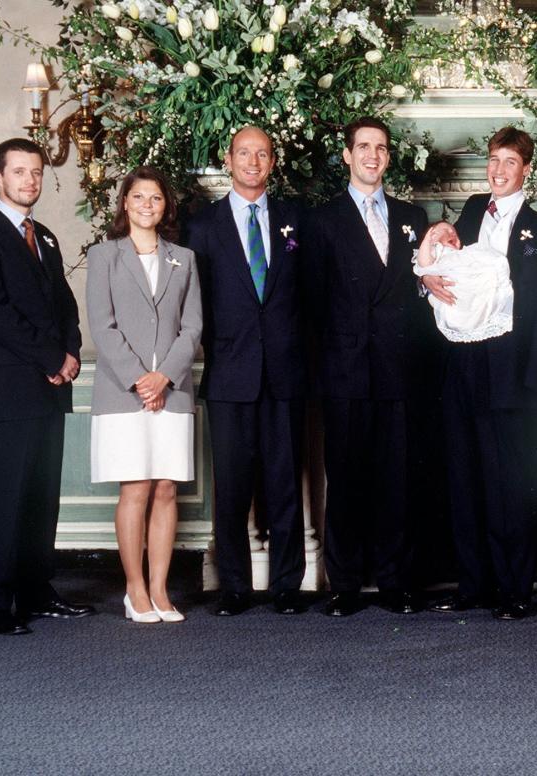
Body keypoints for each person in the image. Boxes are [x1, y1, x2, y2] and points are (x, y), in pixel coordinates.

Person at [421, 126, 537, 620]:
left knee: (510, 485)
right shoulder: (466, 214)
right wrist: (427, 283)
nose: (499, 170)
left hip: (514, 373)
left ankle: (515, 590)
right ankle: (474, 585)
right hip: (463, 367)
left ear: (527, 170)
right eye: (493, 160)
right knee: (465, 479)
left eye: (510, 162)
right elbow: (442, 275)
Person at [0, 137, 95, 635]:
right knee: (2, 499)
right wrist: (52, 356)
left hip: (50, 389)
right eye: (19, 172)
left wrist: (72, 355)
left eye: (35, 172)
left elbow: (65, 307)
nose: (29, 181)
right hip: (7, 394)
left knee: (41, 497)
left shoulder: (47, 237)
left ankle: (37, 592)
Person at [307, 117, 429, 617]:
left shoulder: (412, 216)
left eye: (380, 148)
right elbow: (311, 302)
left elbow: (426, 293)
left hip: (398, 369)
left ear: (388, 157)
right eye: (363, 147)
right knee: (347, 479)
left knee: (396, 480)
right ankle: (346, 584)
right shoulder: (323, 219)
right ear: (347, 155)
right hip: (345, 371)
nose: (372, 155)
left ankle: (395, 580)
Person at [188, 126, 311, 616]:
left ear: (273, 161)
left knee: (285, 484)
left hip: (285, 373)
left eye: (262, 153)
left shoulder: (295, 220)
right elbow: (191, 304)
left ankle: (286, 585)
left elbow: (311, 298)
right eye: (244, 153)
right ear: (229, 159)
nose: (253, 161)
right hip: (229, 374)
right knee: (233, 488)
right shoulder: (200, 226)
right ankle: (234, 586)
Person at [87, 167, 202, 624]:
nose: (147, 205)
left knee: (167, 488)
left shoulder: (184, 259)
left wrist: (165, 377)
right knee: (135, 487)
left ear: (165, 207)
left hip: (171, 392)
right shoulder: (105, 256)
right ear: (125, 204)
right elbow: (102, 325)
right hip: (124, 392)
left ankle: (160, 588)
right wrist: (141, 378)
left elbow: (192, 326)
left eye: (155, 198)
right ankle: (134, 589)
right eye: (138, 197)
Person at [413, 221, 514, 343]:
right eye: (447, 231)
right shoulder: (436, 250)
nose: (453, 233)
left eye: (455, 232)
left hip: (470, 288)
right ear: (432, 236)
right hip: (450, 291)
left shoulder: (462, 254)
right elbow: (424, 264)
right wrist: (427, 241)